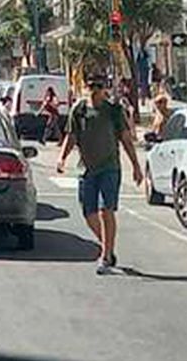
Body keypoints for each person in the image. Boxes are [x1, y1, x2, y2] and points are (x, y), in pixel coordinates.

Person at [57, 75, 144, 274]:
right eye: (91, 86)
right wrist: (62, 158)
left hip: (109, 168)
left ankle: (105, 255)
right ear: (85, 87)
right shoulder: (79, 110)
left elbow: (125, 139)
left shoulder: (113, 110)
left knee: (107, 210)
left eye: (99, 86)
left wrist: (136, 166)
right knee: (88, 212)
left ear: (105, 88)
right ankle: (108, 245)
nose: (95, 90)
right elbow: (71, 136)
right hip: (86, 169)